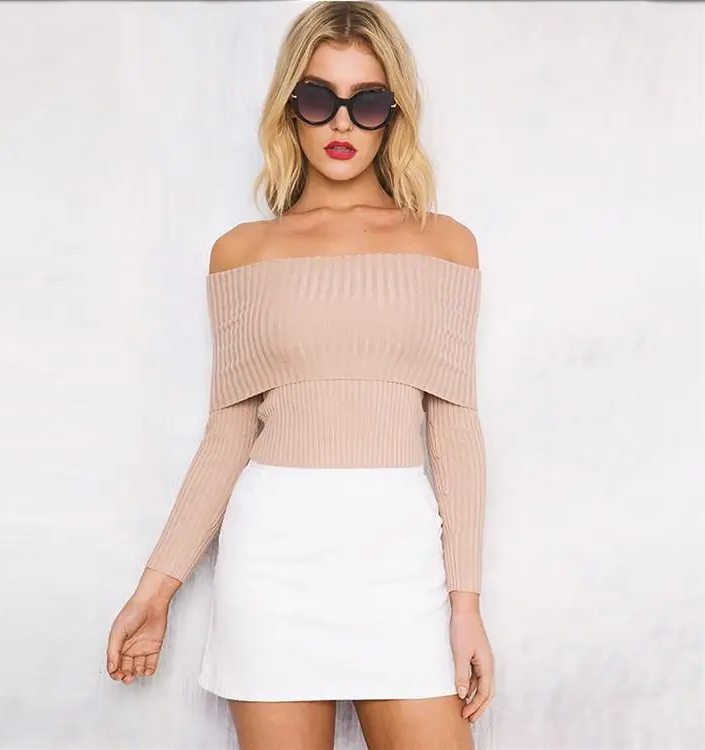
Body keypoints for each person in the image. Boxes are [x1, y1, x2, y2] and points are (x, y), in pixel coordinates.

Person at [106, 2, 495, 748]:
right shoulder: (242, 252)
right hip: (273, 556)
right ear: (290, 107)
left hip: (398, 554)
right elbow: (228, 431)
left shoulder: (444, 244)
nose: (341, 123)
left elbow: (454, 428)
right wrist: (156, 588)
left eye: (367, 102)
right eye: (319, 98)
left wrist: (466, 604)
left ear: (393, 115)